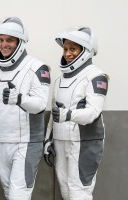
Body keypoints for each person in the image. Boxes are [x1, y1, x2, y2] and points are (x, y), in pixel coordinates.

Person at [0, 17, 51, 200]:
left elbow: (40, 104)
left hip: (27, 143)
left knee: (18, 195)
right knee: (9, 194)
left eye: (9, 40)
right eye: (1, 40)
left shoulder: (37, 68)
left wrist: (20, 99)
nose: (4, 44)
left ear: (20, 42)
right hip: (1, 142)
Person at [43, 26, 109, 200]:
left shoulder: (96, 76)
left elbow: (93, 112)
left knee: (79, 192)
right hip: (60, 141)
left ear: (85, 51)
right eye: (65, 49)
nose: (68, 54)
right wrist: (48, 139)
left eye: (73, 49)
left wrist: (69, 115)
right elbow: (54, 112)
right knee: (66, 191)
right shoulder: (59, 79)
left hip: (84, 142)